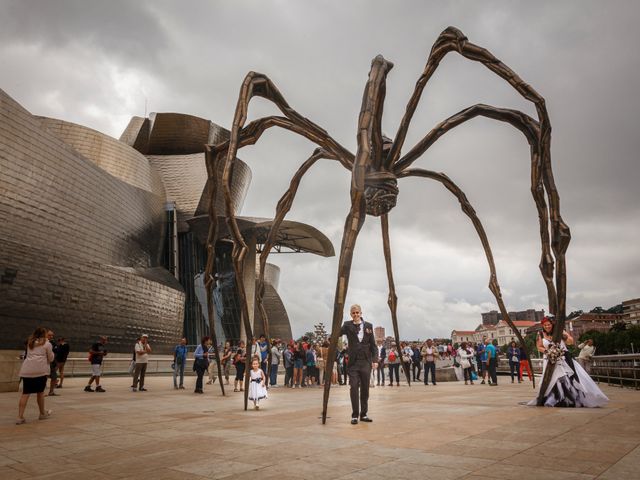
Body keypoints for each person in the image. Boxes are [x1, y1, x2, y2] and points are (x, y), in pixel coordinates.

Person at [529, 317, 608, 407]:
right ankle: (554, 397)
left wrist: (563, 336)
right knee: (552, 378)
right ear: (543, 326)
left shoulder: (560, 331)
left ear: (552, 324)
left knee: (565, 376)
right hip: (549, 358)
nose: (547, 326)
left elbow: (570, 341)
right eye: (545, 325)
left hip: (563, 358)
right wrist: (548, 352)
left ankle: (568, 397)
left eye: (549, 324)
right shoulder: (540, 334)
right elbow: (539, 347)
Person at [341, 304, 378, 424]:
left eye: (357, 312)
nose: (356, 315)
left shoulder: (368, 326)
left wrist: (375, 360)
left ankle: (364, 414)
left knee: (365, 389)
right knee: (354, 388)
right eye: (353, 313)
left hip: (366, 362)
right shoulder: (347, 325)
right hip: (353, 363)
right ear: (351, 314)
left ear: (361, 313)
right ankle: (354, 415)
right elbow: (338, 333)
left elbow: (373, 345)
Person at [16, 327, 54, 424]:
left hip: (27, 370)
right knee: (40, 393)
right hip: (40, 370)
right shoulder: (47, 344)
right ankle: (42, 414)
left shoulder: (30, 342)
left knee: (25, 393)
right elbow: (50, 358)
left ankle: (20, 417)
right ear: (44, 334)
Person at [46, 330, 59, 397]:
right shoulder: (44, 343)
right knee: (44, 377)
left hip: (51, 362)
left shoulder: (53, 343)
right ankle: (41, 392)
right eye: (49, 335)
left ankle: (51, 391)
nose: (51, 336)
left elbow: (56, 353)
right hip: (45, 363)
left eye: (52, 335)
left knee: (54, 377)